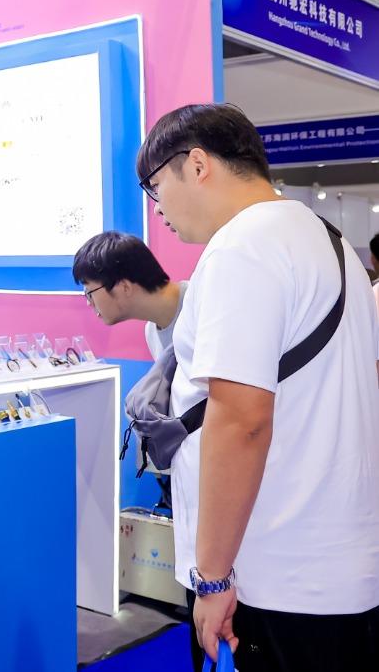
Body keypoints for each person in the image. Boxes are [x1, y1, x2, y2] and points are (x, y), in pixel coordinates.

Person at [137, 103, 379, 670]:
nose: (158, 210)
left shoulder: (241, 246)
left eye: (156, 187)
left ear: (197, 165)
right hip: (341, 565)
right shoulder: (331, 243)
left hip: (272, 575)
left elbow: (241, 419)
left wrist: (213, 575)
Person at [72, 230, 187, 360]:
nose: (89, 302)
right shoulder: (152, 331)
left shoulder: (199, 300)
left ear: (125, 287)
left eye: (89, 292)